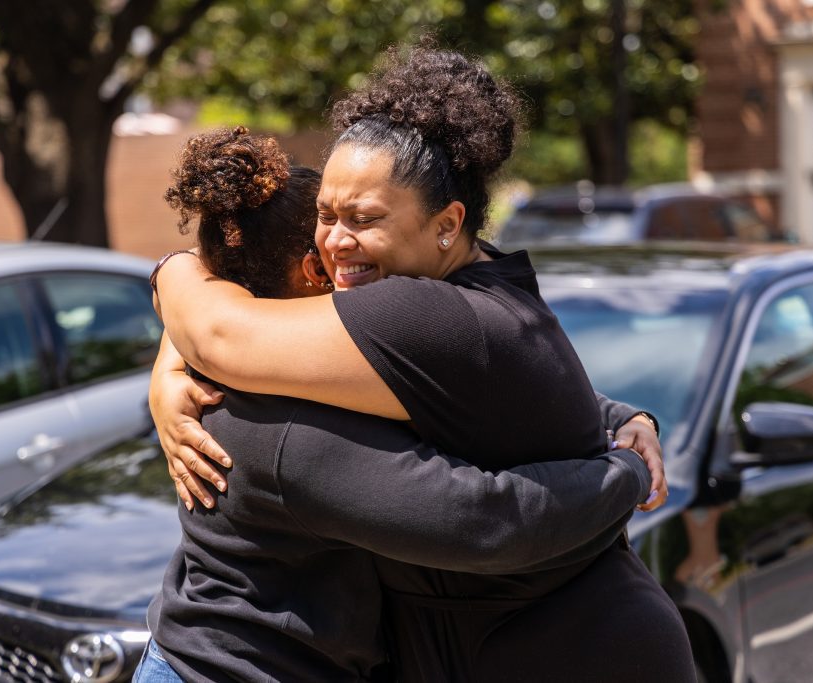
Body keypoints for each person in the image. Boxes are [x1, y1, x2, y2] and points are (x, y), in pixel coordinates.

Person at [152, 45, 695, 681]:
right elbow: (488, 393)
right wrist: (622, 418)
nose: (333, 242)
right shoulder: (475, 278)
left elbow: (220, 334)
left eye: (365, 218)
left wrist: (173, 272)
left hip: (583, 653)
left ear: (447, 224)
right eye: (324, 217)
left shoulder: (418, 313)